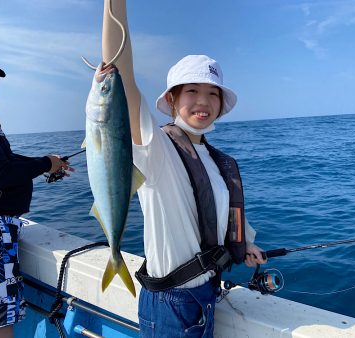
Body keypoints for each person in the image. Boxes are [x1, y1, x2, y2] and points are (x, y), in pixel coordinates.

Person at [101, 1, 267, 337]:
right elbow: (120, 73)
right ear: (173, 100)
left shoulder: (218, 161)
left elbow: (219, 213)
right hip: (170, 304)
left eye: (212, 93)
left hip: (207, 296)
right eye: (191, 91)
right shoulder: (156, 147)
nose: (203, 101)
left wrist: (244, 243)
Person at [0, 60, 72, 338]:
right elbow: (0, 174)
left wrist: (48, 163)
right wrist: (43, 164)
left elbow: (7, 160)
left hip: (2, 227)